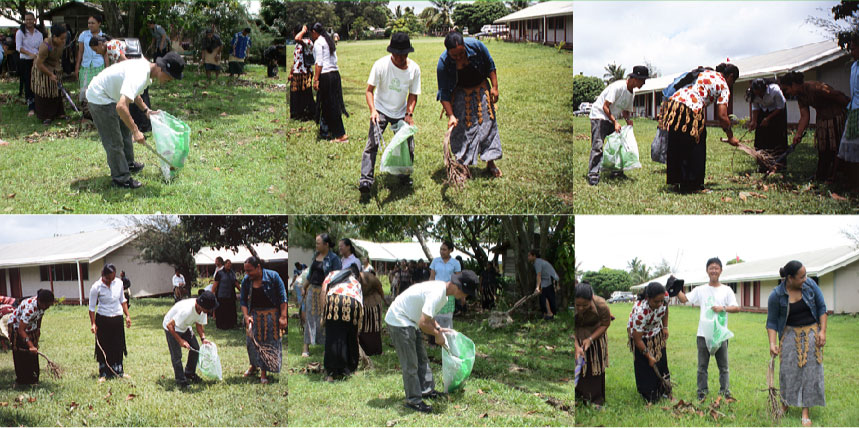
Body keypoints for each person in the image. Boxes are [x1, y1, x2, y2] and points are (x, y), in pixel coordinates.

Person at [86, 52, 184, 189]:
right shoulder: (140, 74)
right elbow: (121, 106)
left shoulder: (147, 71)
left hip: (112, 95)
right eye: (170, 77)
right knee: (114, 141)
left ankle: (128, 163)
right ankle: (121, 178)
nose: (170, 81)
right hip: (99, 97)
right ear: (162, 69)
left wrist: (146, 110)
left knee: (125, 131)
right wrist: (136, 131)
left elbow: (134, 93)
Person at [385, 270, 478, 413]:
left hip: (411, 320)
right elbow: (423, 323)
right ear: (459, 287)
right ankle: (413, 400)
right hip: (399, 320)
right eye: (466, 293)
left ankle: (427, 390)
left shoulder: (444, 295)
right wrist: (436, 335)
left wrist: (439, 329)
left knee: (422, 358)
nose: (465, 297)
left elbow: (428, 316)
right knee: (410, 363)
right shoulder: (437, 293)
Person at [660, 63, 741, 193]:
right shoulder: (724, 85)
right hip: (691, 107)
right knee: (696, 145)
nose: (732, 84)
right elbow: (722, 116)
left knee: (677, 142)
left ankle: (676, 180)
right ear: (730, 76)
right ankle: (693, 185)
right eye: (733, 81)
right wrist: (730, 136)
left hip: (675, 103)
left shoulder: (706, 73)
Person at [766, 260, 827, 428]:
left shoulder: (810, 286)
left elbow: (822, 308)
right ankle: (785, 403)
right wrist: (772, 343)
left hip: (811, 334)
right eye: (801, 277)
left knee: (810, 372)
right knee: (788, 371)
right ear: (790, 278)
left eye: (806, 275)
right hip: (789, 335)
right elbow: (771, 322)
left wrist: (822, 331)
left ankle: (805, 411)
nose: (805, 279)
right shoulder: (776, 295)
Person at [357, 32, 421, 193]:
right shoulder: (380, 65)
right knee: (372, 144)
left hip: (401, 112)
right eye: (397, 54)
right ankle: (366, 179)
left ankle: (404, 177)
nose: (401, 58)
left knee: (407, 146)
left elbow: (413, 94)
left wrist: (409, 113)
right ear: (391, 52)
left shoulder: (414, 69)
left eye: (404, 54)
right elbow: (369, 91)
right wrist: (373, 111)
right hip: (381, 110)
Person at [436, 31, 503, 179]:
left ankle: (490, 162)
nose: (459, 57)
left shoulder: (477, 46)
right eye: (455, 56)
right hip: (460, 93)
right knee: (462, 129)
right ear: (448, 52)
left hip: (481, 88)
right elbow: (444, 93)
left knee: (488, 124)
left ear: (464, 46)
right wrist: (451, 115)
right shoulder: (444, 63)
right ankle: (463, 164)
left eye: (461, 53)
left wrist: (494, 87)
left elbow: (490, 66)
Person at [675, 257, 739, 401]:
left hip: (720, 334)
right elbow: (684, 299)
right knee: (702, 367)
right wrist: (675, 288)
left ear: (721, 271)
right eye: (711, 268)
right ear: (707, 271)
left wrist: (722, 308)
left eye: (716, 268)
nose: (714, 270)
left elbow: (736, 308)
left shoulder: (727, 290)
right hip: (703, 334)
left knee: (724, 367)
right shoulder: (700, 289)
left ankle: (725, 391)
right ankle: (702, 392)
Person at [778, 71, 850, 182]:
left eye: (786, 89)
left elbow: (837, 95)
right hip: (822, 120)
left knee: (835, 148)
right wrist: (798, 134)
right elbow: (804, 116)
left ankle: (835, 175)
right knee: (823, 150)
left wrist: (851, 109)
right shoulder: (800, 96)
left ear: (793, 84)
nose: (787, 93)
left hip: (835, 117)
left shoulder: (815, 87)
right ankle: (822, 174)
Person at [587, 65, 649, 185]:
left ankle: (616, 171)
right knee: (598, 145)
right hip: (599, 115)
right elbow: (605, 106)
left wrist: (627, 120)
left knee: (618, 145)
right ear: (635, 79)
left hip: (611, 118)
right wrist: (615, 122)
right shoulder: (618, 87)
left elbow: (625, 110)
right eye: (643, 80)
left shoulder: (631, 93)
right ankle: (593, 174)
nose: (644, 83)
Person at [240, 256, 287, 384]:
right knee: (252, 343)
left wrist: (283, 317)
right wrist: (246, 316)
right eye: (246, 271)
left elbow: (283, 297)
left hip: (271, 316)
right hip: (254, 316)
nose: (247, 274)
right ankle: (254, 366)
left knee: (268, 343)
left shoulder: (273, 276)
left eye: (249, 270)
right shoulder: (246, 280)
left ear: (258, 267)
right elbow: (243, 300)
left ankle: (264, 372)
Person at [628, 282, 671, 403]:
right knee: (646, 366)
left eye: (661, 301)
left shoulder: (665, 297)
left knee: (662, 361)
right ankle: (649, 394)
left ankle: (664, 390)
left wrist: (665, 327)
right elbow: (637, 339)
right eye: (656, 302)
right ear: (648, 299)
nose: (659, 304)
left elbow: (665, 309)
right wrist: (648, 355)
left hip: (656, 332)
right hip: (642, 336)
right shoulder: (640, 312)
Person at [88, 264, 132, 382]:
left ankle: (119, 371)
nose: (110, 281)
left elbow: (123, 300)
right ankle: (103, 373)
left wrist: (127, 316)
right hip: (103, 319)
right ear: (103, 275)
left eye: (113, 278)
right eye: (108, 279)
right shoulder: (96, 287)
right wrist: (93, 324)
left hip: (117, 318)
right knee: (104, 345)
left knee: (118, 345)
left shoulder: (119, 283)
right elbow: (92, 308)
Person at [163, 291, 216, 388]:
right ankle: (180, 380)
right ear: (201, 305)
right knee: (177, 355)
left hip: (184, 326)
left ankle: (189, 373)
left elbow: (199, 324)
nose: (209, 312)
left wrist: (203, 338)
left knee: (195, 348)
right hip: (171, 327)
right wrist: (180, 341)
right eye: (208, 309)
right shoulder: (187, 310)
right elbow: (169, 325)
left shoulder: (202, 309)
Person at [301, 233, 341, 357]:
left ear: (326, 244)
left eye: (318, 243)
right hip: (312, 291)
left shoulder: (334, 259)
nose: (316, 245)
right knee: (309, 317)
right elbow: (310, 275)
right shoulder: (315, 255)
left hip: (325, 292)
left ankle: (326, 347)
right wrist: (304, 287)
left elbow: (337, 278)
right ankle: (306, 348)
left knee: (325, 318)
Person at [321, 266, 364, 381]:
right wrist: (357, 327)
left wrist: (323, 314)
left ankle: (331, 373)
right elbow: (361, 302)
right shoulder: (356, 282)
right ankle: (350, 369)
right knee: (350, 336)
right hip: (353, 302)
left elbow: (324, 290)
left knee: (333, 337)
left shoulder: (332, 273)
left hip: (334, 300)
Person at [574, 282, 612, 408]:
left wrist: (590, 339)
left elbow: (605, 324)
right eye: (577, 305)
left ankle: (595, 399)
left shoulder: (601, 305)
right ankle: (577, 396)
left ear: (591, 299)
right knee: (577, 367)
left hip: (595, 335)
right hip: (576, 334)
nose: (580, 308)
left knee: (594, 368)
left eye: (584, 305)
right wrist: (576, 347)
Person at [310, 22, 349, 142]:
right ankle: (326, 131)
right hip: (335, 74)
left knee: (330, 105)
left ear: (314, 32)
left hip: (326, 75)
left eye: (311, 34)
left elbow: (319, 63)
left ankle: (340, 134)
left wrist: (315, 79)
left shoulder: (318, 42)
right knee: (329, 104)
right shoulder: (328, 41)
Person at [8, 289, 54, 386]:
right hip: (17, 327)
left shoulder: (42, 306)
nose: (47, 307)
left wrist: (38, 329)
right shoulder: (30, 309)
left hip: (30, 327)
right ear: (40, 302)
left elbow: (40, 316)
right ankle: (22, 381)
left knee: (33, 354)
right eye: (47, 305)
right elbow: (21, 330)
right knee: (21, 353)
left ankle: (33, 379)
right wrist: (30, 345)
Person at [746, 78, 788, 172]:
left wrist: (768, 118)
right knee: (761, 137)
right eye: (757, 93)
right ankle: (763, 165)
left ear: (765, 88)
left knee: (777, 137)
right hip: (763, 110)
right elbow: (755, 107)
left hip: (778, 112)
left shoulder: (775, 90)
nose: (759, 95)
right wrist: (754, 121)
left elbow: (780, 107)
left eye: (761, 93)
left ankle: (779, 165)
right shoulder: (752, 93)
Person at [31, 26, 67, 125]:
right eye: (61, 38)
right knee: (45, 91)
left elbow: (56, 56)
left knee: (56, 90)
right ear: (54, 37)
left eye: (65, 38)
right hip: (42, 67)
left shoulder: (60, 44)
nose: (64, 41)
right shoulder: (45, 46)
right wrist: (50, 74)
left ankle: (59, 113)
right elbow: (39, 64)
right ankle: (46, 116)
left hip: (55, 66)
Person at [839, 34, 859, 189]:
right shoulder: (853, 66)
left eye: (854, 48)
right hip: (853, 109)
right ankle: (852, 181)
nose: (852, 52)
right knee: (849, 145)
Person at [429, 241, 461, 338]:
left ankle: (447, 338)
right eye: (441, 249)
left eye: (444, 249)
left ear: (450, 251)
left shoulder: (455, 263)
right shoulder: (435, 261)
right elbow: (432, 277)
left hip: (449, 292)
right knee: (434, 315)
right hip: (436, 291)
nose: (442, 251)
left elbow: (458, 279)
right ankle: (434, 339)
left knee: (447, 317)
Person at [16, 12, 42, 116]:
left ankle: (38, 104)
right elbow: (18, 48)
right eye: (27, 20)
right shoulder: (20, 33)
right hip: (25, 61)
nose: (29, 21)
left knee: (37, 82)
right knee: (28, 83)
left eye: (31, 19)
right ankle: (31, 107)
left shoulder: (39, 33)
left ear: (34, 20)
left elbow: (42, 47)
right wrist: (30, 54)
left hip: (36, 61)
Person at [76, 15, 106, 104]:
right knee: (85, 88)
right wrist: (77, 66)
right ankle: (86, 109)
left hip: (99, 65)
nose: (90, 25)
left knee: (98, 88)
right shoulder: (84, 35)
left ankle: (97, 107)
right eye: (89, 23)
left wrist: (107, 68)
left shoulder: (103, 36)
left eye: (93, 23)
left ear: (99, 23)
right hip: (86, 65)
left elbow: (106, 54)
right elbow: (80, 52)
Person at [290, 25, 316, 121]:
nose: (293, 34)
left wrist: (303, 31)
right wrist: (291, 72)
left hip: (305, 72)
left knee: (305, 94)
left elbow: (297, 38)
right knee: (296, 94)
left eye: (294, 32)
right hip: (297, 72)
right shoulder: (298, 44)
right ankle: (297, 113)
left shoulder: (307, 42)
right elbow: (295, 60)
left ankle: (308, 113)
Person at [359, 270, 384, 356]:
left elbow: (380, 289)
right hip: (362, 304)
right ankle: (364, 349)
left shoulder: (371, 278)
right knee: (363, 326)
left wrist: (383, 299)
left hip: (374, 303)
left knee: (374, 326)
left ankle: (375, 350)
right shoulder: (354, 280)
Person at [529, 249, 559, 320]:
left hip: (548, 280)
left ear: (534, 256)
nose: (528, 257)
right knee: (544, 297)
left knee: (543, 296)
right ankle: (546, 314)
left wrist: (537, 287)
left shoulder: (537, 262)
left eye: (529, 255)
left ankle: (549, 314)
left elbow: (538, 275)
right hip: (549, 279)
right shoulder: (539, 261)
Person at [213, 259, 240, 330]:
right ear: (224, 264)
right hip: (221, 296)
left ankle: (231, 325)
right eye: (227, 263)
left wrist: (241, 291)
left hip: (231, 296)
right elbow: (215, 284)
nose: (229, 265)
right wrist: (212, 293)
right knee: (221, 311)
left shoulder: (232, 273)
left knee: (231, 311)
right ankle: (221, 326)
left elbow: (236, 283)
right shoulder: (219, 273)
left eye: (230, 264)